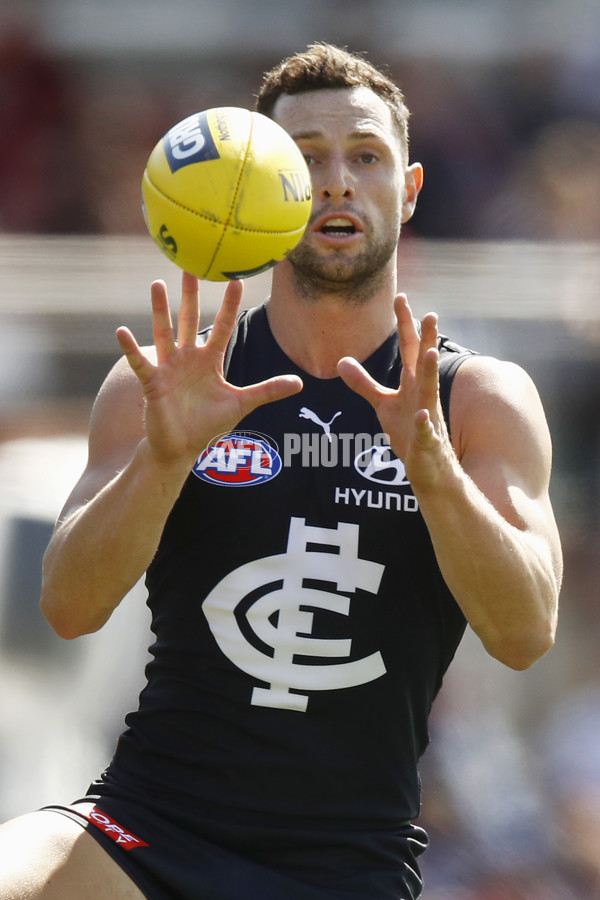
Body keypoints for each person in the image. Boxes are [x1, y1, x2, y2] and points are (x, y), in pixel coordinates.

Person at [0, 43, 562, 900]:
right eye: (305, 160)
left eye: (366, 156)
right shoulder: (165, 382)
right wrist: (165, 455)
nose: (337, 180)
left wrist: (432, 466)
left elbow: (525, 634)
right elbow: (68, 608)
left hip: (346, 865)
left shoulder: (476, 397)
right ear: (264, 191)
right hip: (146, 828)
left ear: (408, 192)